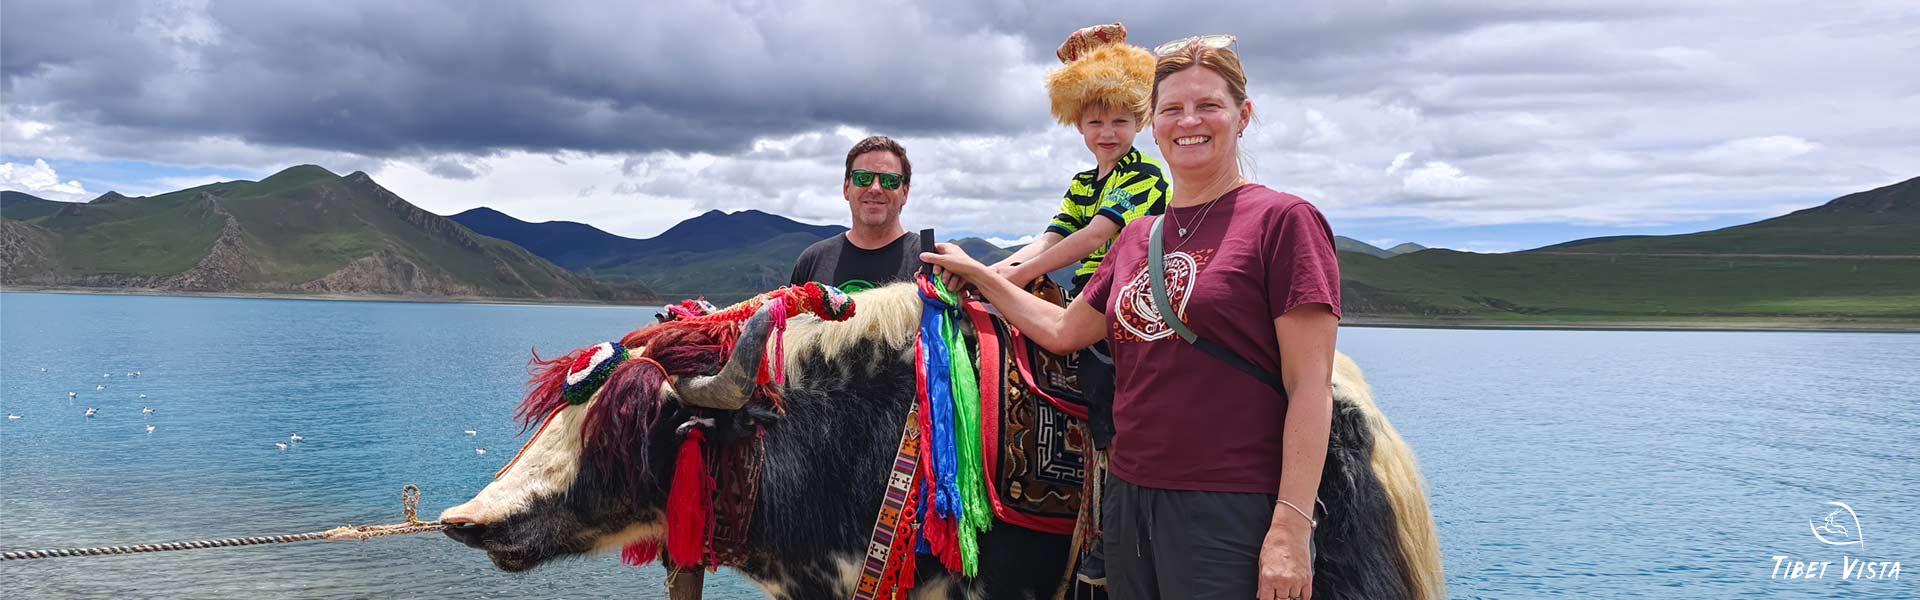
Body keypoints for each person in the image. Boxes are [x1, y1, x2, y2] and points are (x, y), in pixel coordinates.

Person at [921, 35, 1341, 600]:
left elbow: (1310, 385)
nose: (1188, 121)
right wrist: (981, 275)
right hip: (1129, 500)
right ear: (1156, 123)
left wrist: (1289, 527)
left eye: (1208, 105)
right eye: (1172, 108)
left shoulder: (1284, 221)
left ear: (1243, 116)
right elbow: (1064, 330)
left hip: (1228, 500)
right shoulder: (1141, 235)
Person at [789, 136, 925, 291]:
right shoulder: (812, 262)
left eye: (889, 180)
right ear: (846, 188)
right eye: (863, 178)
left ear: (905, 193)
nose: (875, 188)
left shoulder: (928, 261)